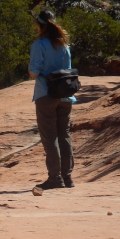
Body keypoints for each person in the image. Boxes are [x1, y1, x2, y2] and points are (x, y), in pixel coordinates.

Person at [28, 10, 75, 190]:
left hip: (46, 94)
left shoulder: (40, 44)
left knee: (50, 137)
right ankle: (67, 178)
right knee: (64, 135)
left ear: (39, 25)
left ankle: (55, 179)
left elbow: (34, 71)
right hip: (65, 95)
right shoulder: (65, 46)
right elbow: (68, 70)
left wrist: (32, 71)